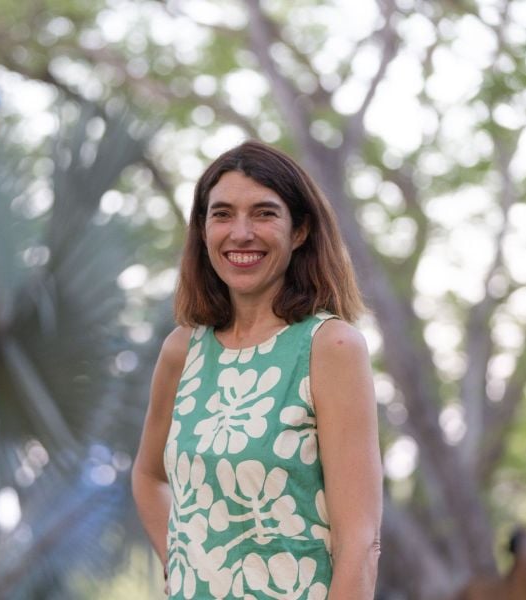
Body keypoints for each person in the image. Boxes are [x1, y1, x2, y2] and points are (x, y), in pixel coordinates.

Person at [132, 140, 383, 599]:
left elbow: (359, 546)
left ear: (300, 231)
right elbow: (148, 477)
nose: (241, 233)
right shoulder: (181, 351)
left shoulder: (331, 347)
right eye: (222, 214)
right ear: (203, 230)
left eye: (264, 214)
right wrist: (185, 565)